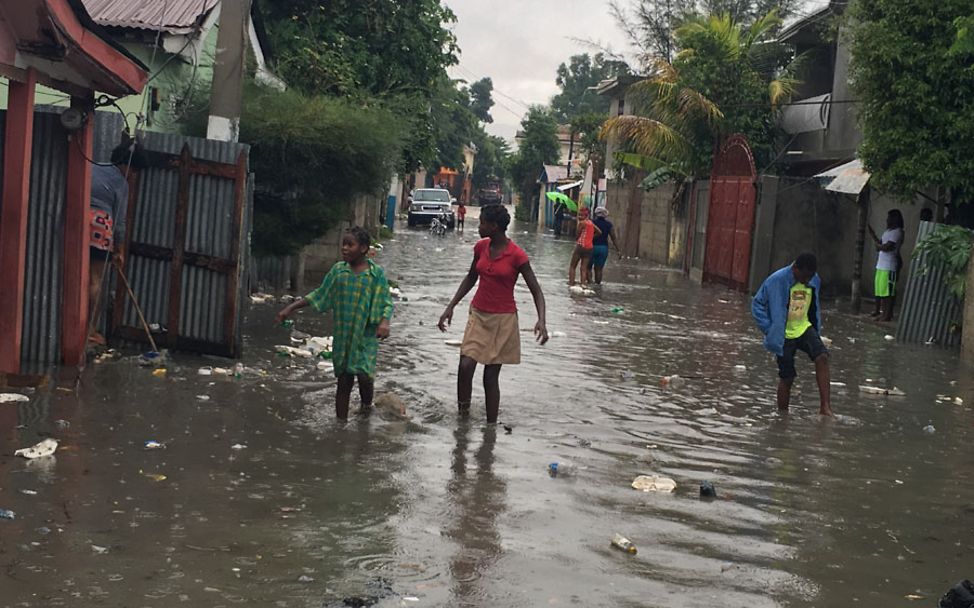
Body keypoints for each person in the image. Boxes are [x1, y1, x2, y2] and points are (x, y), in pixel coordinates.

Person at [437, 205, 548, 423]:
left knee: (490, 376)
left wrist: (541, 320)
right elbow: (471, 278)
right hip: (478, 314)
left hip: (503, 320)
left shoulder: (517, 255)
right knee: (465, 365)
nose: (478, 226)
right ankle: (463, 419)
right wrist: (450, 306)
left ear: (494, 226)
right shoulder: (480, 248)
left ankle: (490, 428)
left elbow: (536, 290)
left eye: (482, 223)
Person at [275, 227, 393, 420]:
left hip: (366, 335)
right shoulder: (339, 271)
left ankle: (365, 409)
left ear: (363, 248)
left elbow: (386, 302)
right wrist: (290, 308)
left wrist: (384, 322)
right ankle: (341, 425)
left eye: (350, 245)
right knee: (344, 379)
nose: (344, 249)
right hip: (343, 334)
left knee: (364, 375)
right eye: (343, 244)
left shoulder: (375, 274)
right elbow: (320, 294)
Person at [751, 253, 832, 417]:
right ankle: (782, 416)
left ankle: (825, 408)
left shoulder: (814, 279)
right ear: (795, 268)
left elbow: (813, 305)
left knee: (822, 357)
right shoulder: (777, 280)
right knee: (787, 377)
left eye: (810, 277)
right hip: (783, 334)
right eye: (804, 276)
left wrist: (816, 327)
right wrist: (770, 329)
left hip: (804, 327)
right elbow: (757, 304)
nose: (807, 280)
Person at [88, 140, 145, 345]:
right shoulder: (121, 183)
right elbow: (120, 221)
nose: (133, 175)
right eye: (135, 171)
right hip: (99, 225)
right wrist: (119, 251)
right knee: (95, 281)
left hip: (77, 218)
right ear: (129, 166)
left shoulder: (92, 167)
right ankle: (90, 331)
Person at [868, 209, 904, 322]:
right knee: (880, 291)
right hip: (881, 265)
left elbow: (887, 247)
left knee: (888, 292)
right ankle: (882, 312)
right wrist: (873, 236)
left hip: (889, 266)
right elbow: (880, 245)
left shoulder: (898, 232)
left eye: (889, 218)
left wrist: (879, 246)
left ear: (895, 219)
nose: (887, 220)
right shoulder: (887, 231)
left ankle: (887, 315)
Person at [588, 207, 621, 284]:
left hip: (591, 247)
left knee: (588, 267)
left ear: (596, 213)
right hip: (603, 248)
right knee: (599, 269)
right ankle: (597, 287)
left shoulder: (591, 223)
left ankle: (590, 284)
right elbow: (614, 238)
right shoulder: (609, 225)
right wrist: (618, 250)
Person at [569, 207, 601, 286]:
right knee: (584, 268)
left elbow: (577, 235)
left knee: (572, 266)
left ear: (586, 216)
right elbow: (599, 232)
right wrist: (590, 237)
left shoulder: (582, 223)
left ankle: (571, 283)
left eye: (581, 215)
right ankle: (583, 284)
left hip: (581, 246)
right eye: (579, 215)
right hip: (589, 248)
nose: (579, 217)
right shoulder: (591, 223)